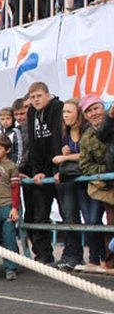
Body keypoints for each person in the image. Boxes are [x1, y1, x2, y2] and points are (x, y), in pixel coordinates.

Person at [26, 82, 64, 264]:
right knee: (39, 215)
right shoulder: (31, 113)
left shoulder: (58, 108)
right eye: (32, 97)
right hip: (43, 171)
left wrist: (59, 170)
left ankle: (72, 255)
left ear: (48, 95)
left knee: (67, 214)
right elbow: (33, 145)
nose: (35, 100)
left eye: (39, 96)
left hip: (59, 169)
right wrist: (37, 171)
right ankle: (44, 255)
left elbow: (58, 138)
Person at [52, 99, 88, 270]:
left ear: (78, 113)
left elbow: (87, 155)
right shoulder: (65, 133)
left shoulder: (87, 130)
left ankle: (98, 258)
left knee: (91, 219)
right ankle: (71, 254)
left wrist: (66, 157)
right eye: (64, 112)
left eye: (69, 112)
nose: (65, 115)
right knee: (69, 216)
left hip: (86, 179)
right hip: (69, 180)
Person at [78, 94, 109, 272]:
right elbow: (85, 165)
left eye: (96, 108)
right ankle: (99, 259)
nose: (93, 113)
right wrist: (106, 171)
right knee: (92, 221)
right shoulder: (87, 137)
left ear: (102, 107)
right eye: (89, 111)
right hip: (100, 187)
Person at [0, 134, 22, 281]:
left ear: (7, 150)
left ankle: (11, 267)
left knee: (8, 237)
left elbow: (15, 189)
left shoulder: (11, 167)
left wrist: (15, 208)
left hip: (7, 205)